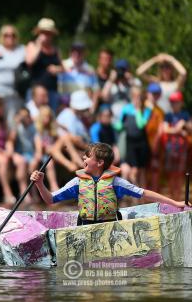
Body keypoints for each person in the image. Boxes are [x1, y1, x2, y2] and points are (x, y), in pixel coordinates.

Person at [31, 143, 185, 225]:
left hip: (109, 229)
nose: (83, 158)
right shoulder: (78, 182)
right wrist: (39, 183)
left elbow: (144, 193)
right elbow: (50, 199)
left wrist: (175, 202)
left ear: (99, 162)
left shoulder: (116, 182)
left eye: (87, 157)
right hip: (84, 229)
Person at [0, 24, 25, 127]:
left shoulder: (21, 49)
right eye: (6, 35)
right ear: (1, 36)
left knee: (11, 121)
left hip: (15, 92)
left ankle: (10, 142)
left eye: (13, 35)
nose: (10, 37)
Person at [114, 86, 151, 185]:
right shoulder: (126, 109)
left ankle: (144, 198)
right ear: (131, 96)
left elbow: (141, 125)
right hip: (130, 143)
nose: (136, 99)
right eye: (134, 96)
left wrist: (138, 110)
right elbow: (120, 125)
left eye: (138, 96)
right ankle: (135, 197)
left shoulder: (146, 110)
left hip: (142, 143)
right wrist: (115, 124)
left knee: (142, 171)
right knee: (134, 171)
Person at [25, 18, 63, 112]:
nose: (46, 35)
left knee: (50, 117)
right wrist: (39, 46)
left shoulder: (56, 49)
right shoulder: (32, 45)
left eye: (48, 33)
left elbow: (63, 68)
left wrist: (57, 69)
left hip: (52, 90)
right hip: (36, 90)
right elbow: (29, 62)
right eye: (43, 32)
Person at [161, 91, 191, 199]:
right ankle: (173, 198)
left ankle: (177, 197)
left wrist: (185, 124)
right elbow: (165, 129)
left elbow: (190, 129)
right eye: (172, 102)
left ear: (181, 102)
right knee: (170, 174)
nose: (174, 104)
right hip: (170, 149)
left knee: (180, 174)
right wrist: (178, 130)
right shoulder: (168, 115)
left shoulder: (185, 115)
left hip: (182, 149)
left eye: (176, 102)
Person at [59, 42, 99, 113]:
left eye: (80, 52)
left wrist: (92, 108)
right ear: (70, 53)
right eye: (74, 51)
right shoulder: (62, 65)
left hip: (85, 107)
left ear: (84, 53)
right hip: (65, 106)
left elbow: (96, 90)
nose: (77, 54)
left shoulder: (90, 69)